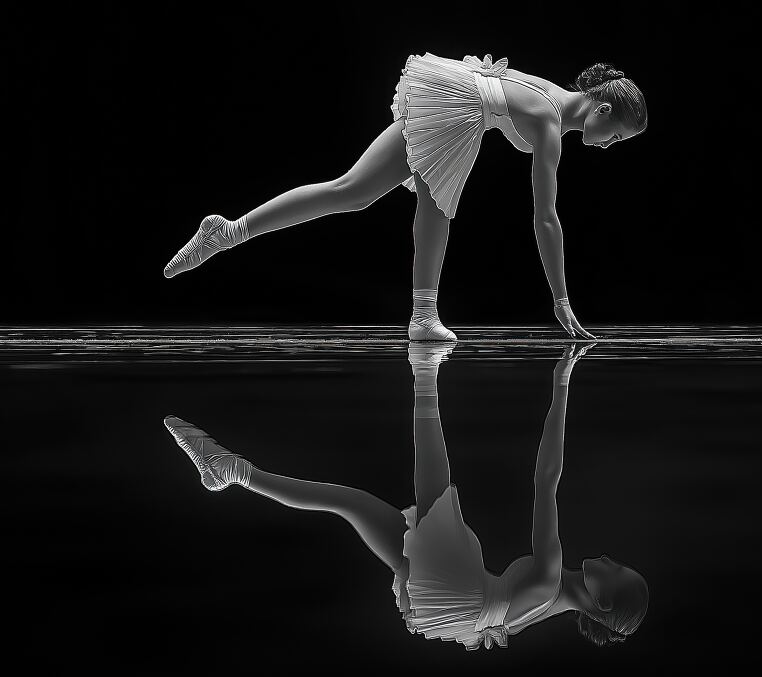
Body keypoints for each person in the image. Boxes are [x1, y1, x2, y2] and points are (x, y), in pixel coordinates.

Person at [163, 341, 649, 650]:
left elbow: (546, 478)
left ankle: (425, 362)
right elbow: (501, 626)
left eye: (617, 569)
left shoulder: (549, 576)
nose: (609, 558)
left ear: (604, 602)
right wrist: (479, 625)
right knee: (349, 502)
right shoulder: (557, 596)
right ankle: (231, 471)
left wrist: (562, 384)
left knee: (432, 486)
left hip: (461, 591)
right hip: (453, 610)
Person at [162, 53, 647, 342]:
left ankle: (230, 231)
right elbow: (546, 218)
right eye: (616, 137)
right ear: (603, 109)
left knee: (351, 190)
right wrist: (562, 299)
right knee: (434, 200)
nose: (608, 146)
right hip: (458, 109)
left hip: (453, 98)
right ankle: (422, 313)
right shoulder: (549, 123)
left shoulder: (555, 101)